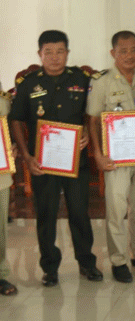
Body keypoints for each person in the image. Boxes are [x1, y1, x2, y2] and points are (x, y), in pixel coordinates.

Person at [9, 30, 103, 287]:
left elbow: (93, 113)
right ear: (39, 54)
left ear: (67, 53)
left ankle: (87, 263)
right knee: (46, 215)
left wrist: (87, 133)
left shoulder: (81, 79)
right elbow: (16, 119)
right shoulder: (28, 84)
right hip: (42, 163)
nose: (54, 57)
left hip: (76, 162)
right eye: (48, 52)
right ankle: (50, 268)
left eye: (60, 51)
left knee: (79, 212)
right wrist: (26, 156)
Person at [86, 31, 135, 283]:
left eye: (133, 50)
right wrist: (98, 154)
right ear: (113, 53)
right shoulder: (102, 82)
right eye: (123, 51)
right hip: (115, 159)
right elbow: (93, 120)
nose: (129, 55)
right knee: (116, 210)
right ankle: (119, 260)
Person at [0, 85, 18, 295]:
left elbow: (11, 127)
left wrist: (12, 146)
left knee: (0, 228)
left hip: (0, 172)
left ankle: (0, 274)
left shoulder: (3, 100)